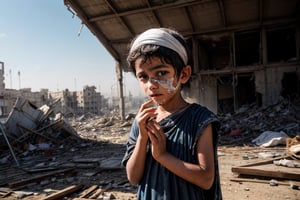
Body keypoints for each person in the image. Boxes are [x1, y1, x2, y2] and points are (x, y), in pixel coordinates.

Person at [122, 27, 222, 200]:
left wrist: (162, 155)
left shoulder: (200, 119)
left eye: (161, 73)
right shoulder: (143, 120)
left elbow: (206, 179)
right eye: (143, 76)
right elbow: (133, 177)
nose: (151, 84)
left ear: (183, 74)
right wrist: (142, 138)